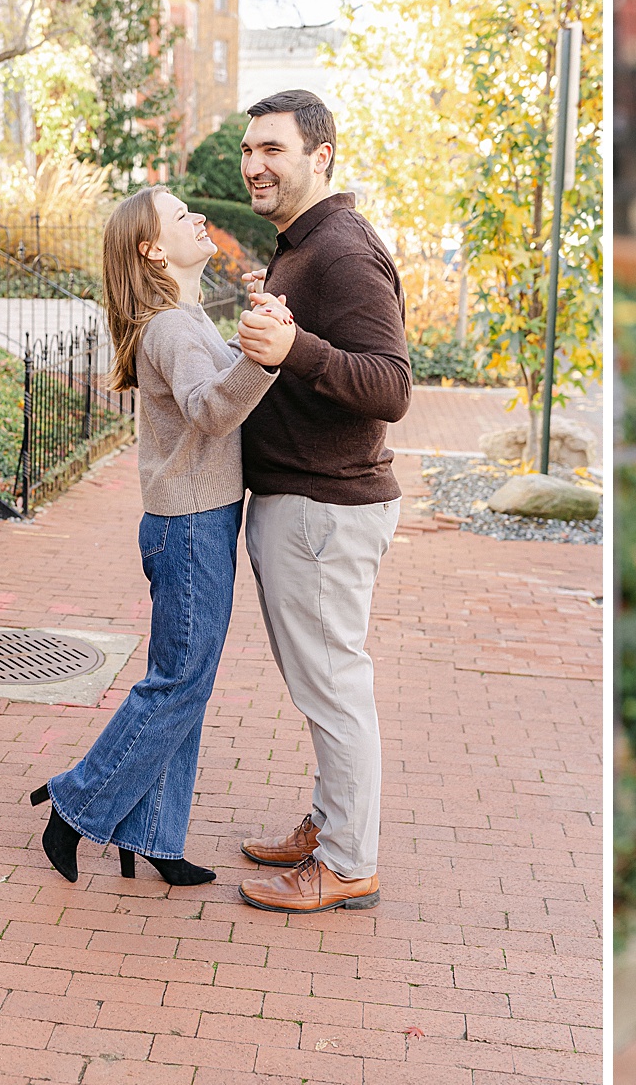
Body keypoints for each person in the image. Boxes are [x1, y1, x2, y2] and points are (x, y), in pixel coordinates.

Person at [31, 188, 296, 886]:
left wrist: (256, 324)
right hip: (189, 524)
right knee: (179, 680)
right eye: (182, 217)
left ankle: (154, 835)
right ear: (151, 250)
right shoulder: (171, 328)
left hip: (197, 517)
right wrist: (263, 359)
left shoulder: (183, 316)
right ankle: (76, 804)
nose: (198, 220)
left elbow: (209, 387)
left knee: (188, 681)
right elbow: (212, 409)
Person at [230, 90, 414, 915]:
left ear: (321, 154)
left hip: (323, 511)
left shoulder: (342, 250)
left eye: (272, 148)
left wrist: (296, 347)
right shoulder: (301, 246)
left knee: (334, 687)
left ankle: (346, 863)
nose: (253, 165)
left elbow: (392, 386)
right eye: (248, 150)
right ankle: (332, 824)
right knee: (322, 686)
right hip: (304, 505)